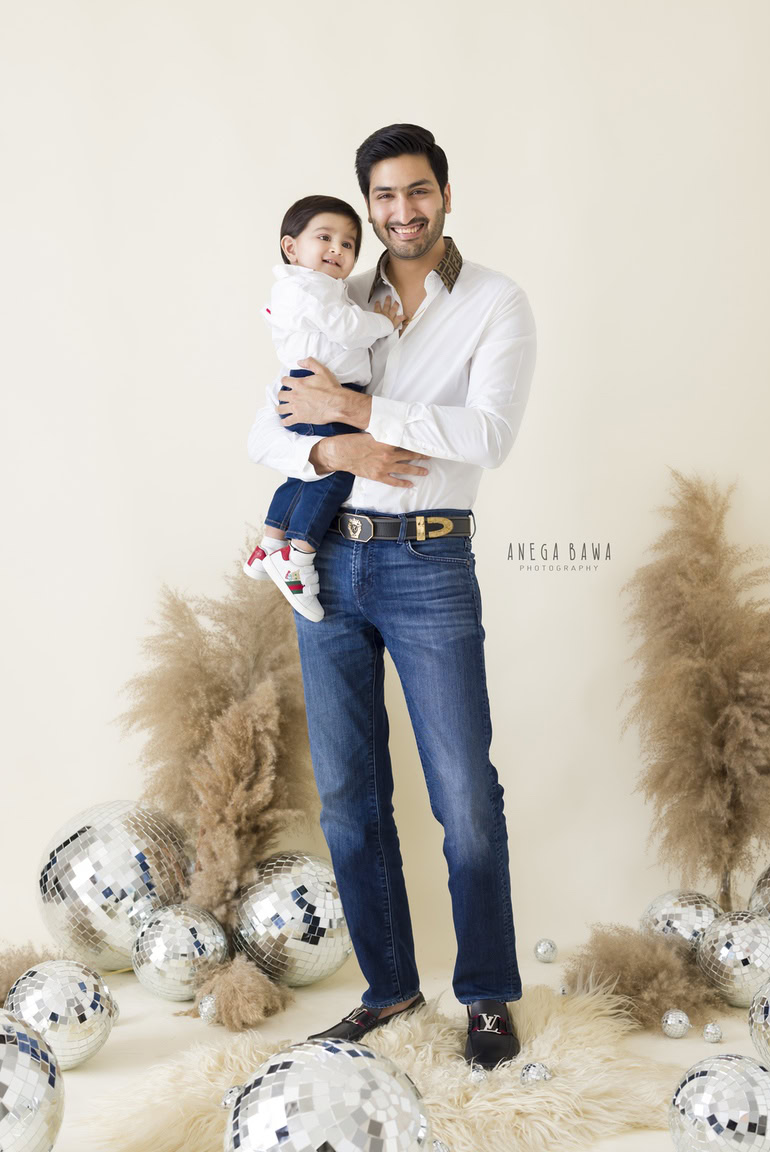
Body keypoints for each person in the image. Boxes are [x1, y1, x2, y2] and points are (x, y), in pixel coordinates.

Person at [247, 124, 537, 1068]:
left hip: (429, 561)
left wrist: (363, 410)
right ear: (366, 205)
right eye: (383, 199)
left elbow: (486, 434)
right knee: (347, 797)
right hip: (327, 560)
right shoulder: (336, 295)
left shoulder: (496, 302)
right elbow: (271, 425)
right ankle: (391, 990)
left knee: (463, 793)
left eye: (417, 193)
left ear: (445, 194)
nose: (399, 213)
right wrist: (340, 449)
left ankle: (487, 992)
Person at [243, 194, 404, 621]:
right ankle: (297, 559)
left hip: (306, 384)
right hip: (321, 390)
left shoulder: (310, 288)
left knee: (301, 475)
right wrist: (385, 322)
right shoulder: (309, 289)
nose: (338, 248)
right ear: (291, 247)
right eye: (325, 237)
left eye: (349, 244)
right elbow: (347, 329)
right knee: (333, 476)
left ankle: (269, 544)